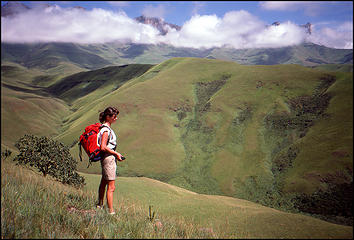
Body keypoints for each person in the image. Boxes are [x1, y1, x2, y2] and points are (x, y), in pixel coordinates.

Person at [96, 106, 124, 215]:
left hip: (106, 158)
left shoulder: (103, 128)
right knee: (111, 187)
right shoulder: (106, 130)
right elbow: (103, 146)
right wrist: (116, 153)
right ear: (108, 117)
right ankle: (110, 211)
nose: (116, 118)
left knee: (104, 182)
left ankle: (100, 204)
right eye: (114, 116)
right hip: (108, 158)